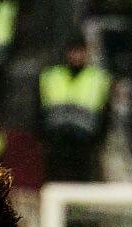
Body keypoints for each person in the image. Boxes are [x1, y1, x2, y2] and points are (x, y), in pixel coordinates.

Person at [38, 39, 111, 182]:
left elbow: (105, 113)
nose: (77, 56)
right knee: (56, 183)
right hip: (56, 141)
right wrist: (42, 137)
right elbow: (39, 109)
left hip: (85, 142)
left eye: (80, 51)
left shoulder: (98, 78)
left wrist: (100, 140)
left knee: (81, 185)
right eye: (74, 51)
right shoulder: (51, 76)